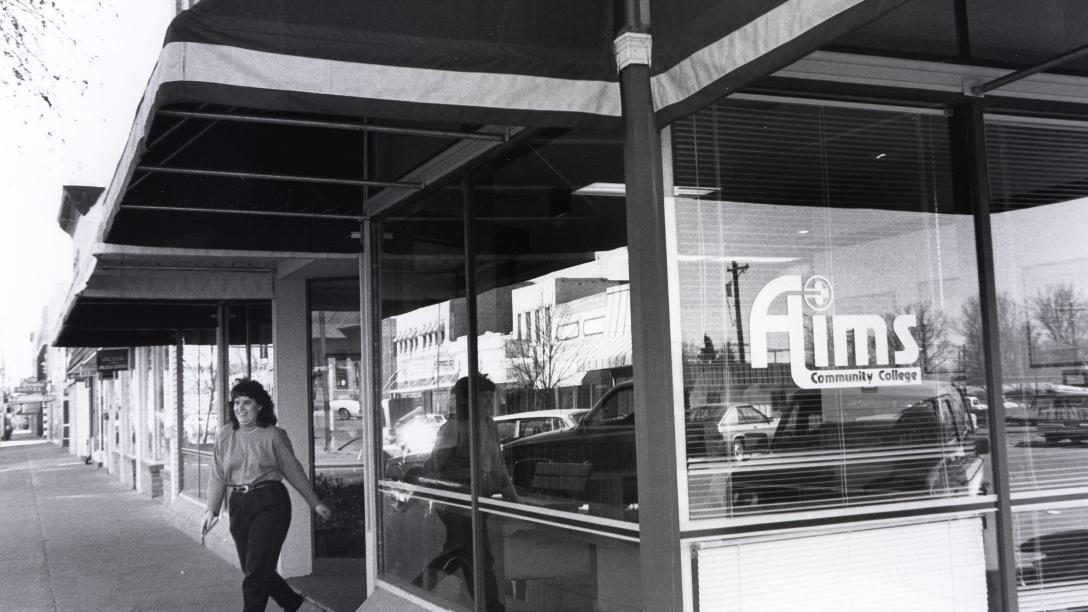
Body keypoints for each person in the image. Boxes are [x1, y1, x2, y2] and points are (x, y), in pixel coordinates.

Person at [200, 379, 333, 612]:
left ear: (259, 406)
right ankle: (297, 606)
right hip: (239, 504)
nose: (240, 408)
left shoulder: (273, 435)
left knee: (256, 572)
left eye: (247, 403)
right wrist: (211, 509)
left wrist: (315, 502)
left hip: (270, 502)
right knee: (254, 568)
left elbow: (294, 471)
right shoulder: (224, 435)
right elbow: (218, 474)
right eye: (236, 403)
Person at [413, 374, 519, 610]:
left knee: (461, 555)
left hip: (480, 502)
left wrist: (515, 499)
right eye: (483, 399)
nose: (489, 403)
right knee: (478, 557)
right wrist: (470, 475)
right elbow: (435, 469)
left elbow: (499, 467)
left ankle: (416, 588)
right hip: (457, 504)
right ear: (468, 400)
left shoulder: (489, 426)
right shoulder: (453, 428)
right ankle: (491, 607)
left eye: (491, 398)